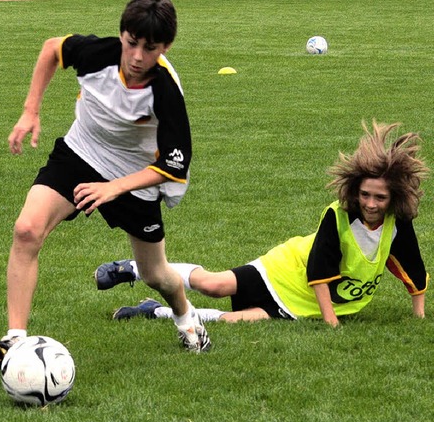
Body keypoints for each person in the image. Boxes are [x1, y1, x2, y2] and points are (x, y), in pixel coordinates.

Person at [0, 0, 210, 366]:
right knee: (26, 230)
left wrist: (114, 188)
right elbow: (51, 50)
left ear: (166, 47)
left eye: (150, 48)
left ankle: (186, 317)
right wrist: (30, 111)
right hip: (81, 151)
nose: (138, 56)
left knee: (156, 275)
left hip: (136, 175)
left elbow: (173, 165)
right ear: (121, 34)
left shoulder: (165, 91)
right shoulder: (97, 53)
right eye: (132, 43)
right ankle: (16, 341)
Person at [96, 121, 429, 327]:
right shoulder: (338, 215)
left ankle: (153, 311)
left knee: (232, 320)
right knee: (214, 286)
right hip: (284, 272)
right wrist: (331, 322)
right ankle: (136, 269)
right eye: (365, 195)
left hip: (304, 304)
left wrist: (419, 316)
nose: (371, 204)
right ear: (355, 192)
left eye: (380, 198)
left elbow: (411, 267)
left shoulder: (396, 222)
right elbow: (318, 271)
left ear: (393, 199)